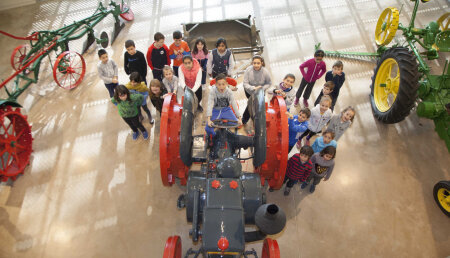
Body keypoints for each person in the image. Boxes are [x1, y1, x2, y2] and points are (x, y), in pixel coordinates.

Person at [242, 56, 272, 125]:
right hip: (249, 92)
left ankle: (255, 118)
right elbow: (245, 83)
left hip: (260, 92)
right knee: (251, 104)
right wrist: (253, 88)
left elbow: (269, 83)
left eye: (258, 63)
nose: (256, 65)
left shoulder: (265, 72)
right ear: (252, 63)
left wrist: (261, 88)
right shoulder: (248, 70)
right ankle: (244, 119)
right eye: (254, 63)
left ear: (261, 63)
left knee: (257, 105)